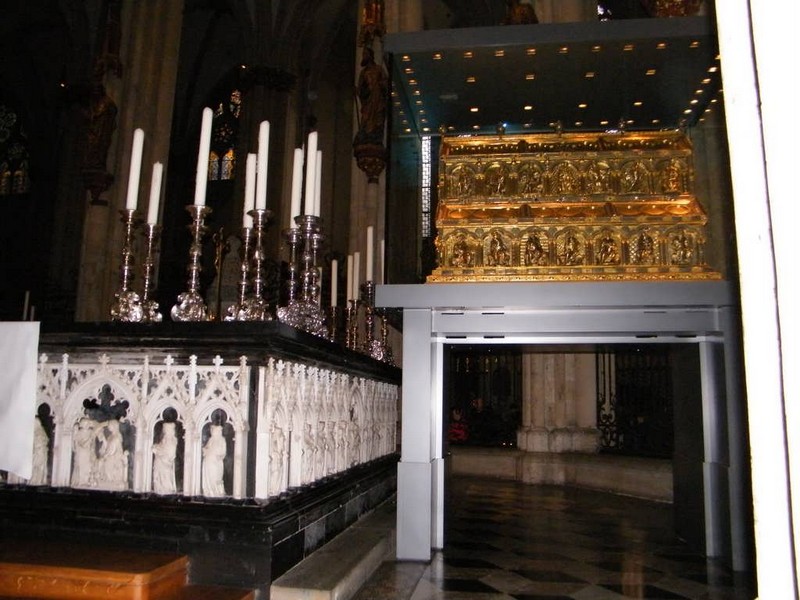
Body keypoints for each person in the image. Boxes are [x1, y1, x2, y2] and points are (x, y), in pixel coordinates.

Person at [354, 47, 388, 146]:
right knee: (366, 119)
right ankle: (365, 136)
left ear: (370, 55)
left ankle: (375, 137)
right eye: (363, 54)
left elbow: (386, 83)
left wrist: (380, 84)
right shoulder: (363, 72)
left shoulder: (379, 69)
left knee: (378, 119)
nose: (364, 56)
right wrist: (358, 90)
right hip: (368, 101)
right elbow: (361, 88)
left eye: (365, 54)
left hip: (378, 100)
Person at [152, 422, 178, 494]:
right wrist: (156, 448)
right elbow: (159, 446)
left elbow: (171, 455)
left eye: (167, 430)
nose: (166, 432)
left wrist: (160, 453)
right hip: (160, 461)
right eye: (165, 430)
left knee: (166, 475)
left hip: (166, 462)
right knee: (159, 471)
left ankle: (167, 488)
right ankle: (159, 488)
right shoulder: (164, 440)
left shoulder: (173, 441)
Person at [202, 425, 227, 497]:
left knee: (217, 476)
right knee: (210, 476)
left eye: (214, 430)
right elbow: (207, 448)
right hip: (209, 460)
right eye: (212, 430)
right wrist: (205, 449)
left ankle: (218, 491)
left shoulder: (222, 440)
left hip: (216, 461)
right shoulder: (211, 440)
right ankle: (210, 491)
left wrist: (220, 455)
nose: (212, 432)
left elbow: (223, 451)